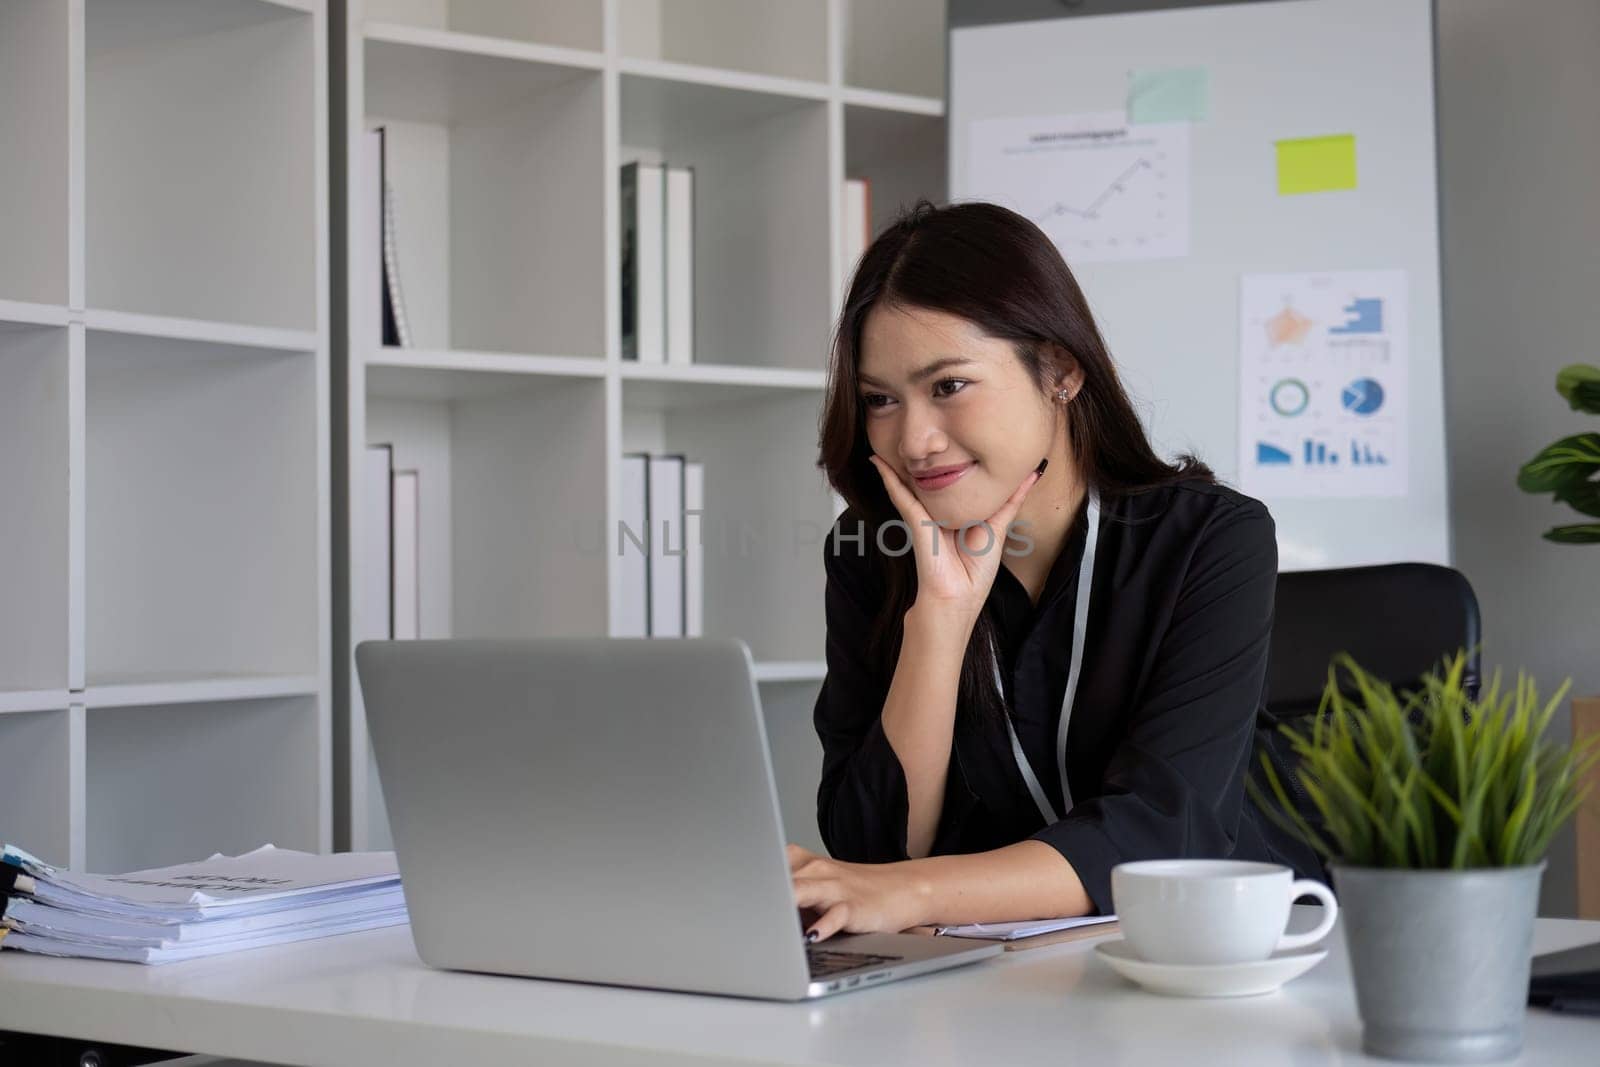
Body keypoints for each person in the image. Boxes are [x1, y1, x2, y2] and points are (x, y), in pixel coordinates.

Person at [788, 200, 1323, 944]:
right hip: (1000, 970)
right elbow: (871, 847)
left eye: (948, 386)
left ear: (1061, 370)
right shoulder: (872, 552)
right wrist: (939, 619)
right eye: (881, 399)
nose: (914, 438)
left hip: (1218, 956)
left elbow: (1161, 836)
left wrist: (908, 892)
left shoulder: (1210, 538)